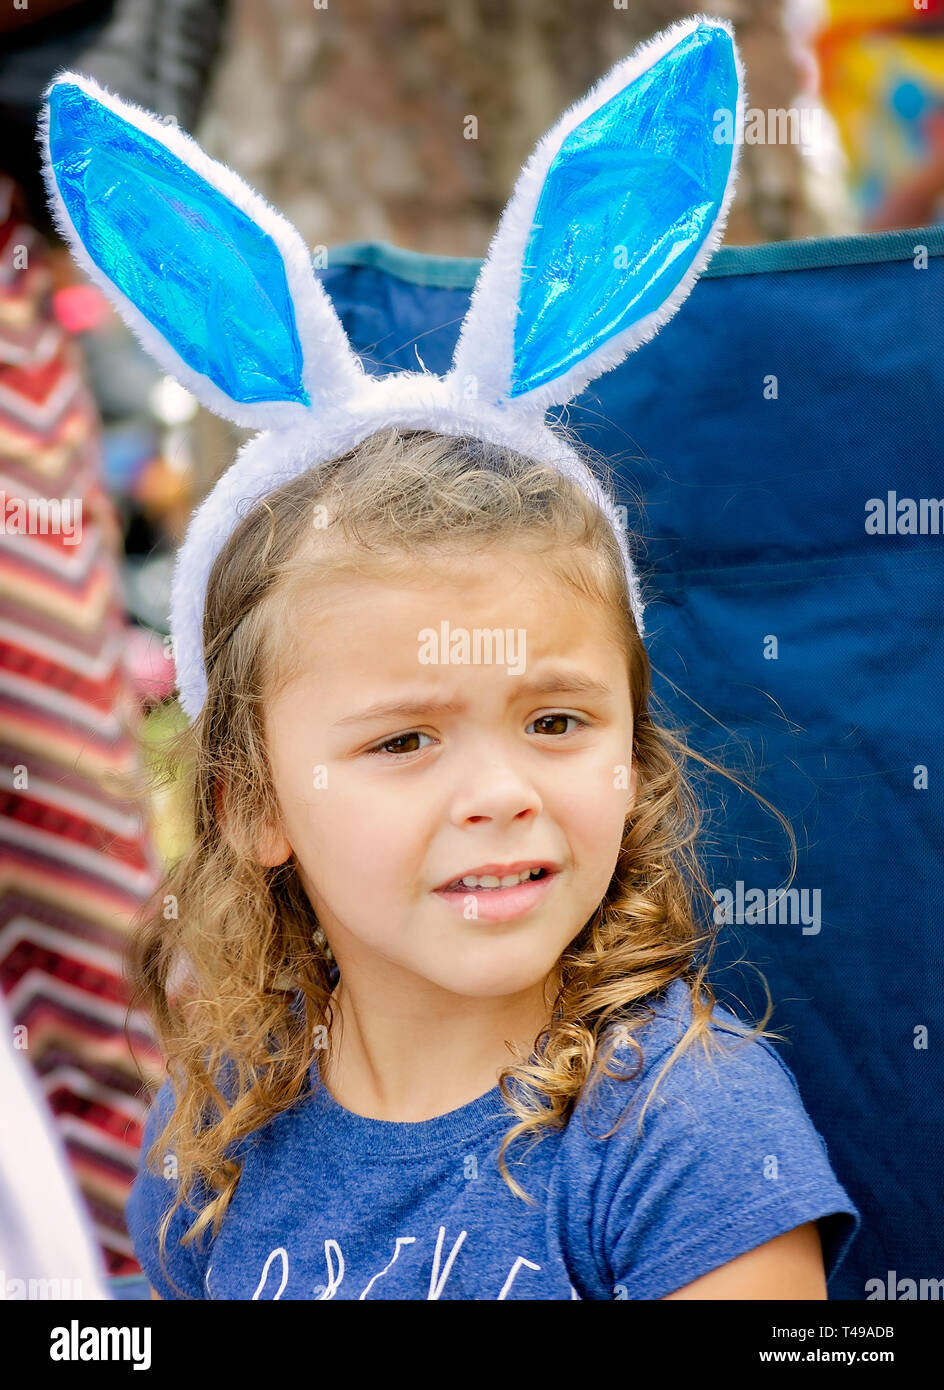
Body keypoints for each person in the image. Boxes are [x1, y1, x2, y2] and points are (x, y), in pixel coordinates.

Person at [39, 17, 861, 1300]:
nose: (498, 792)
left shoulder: (682, 1133)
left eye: (554, 722)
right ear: (254, 798)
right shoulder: (219, 1126)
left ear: (631, 751)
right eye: (405, 738)